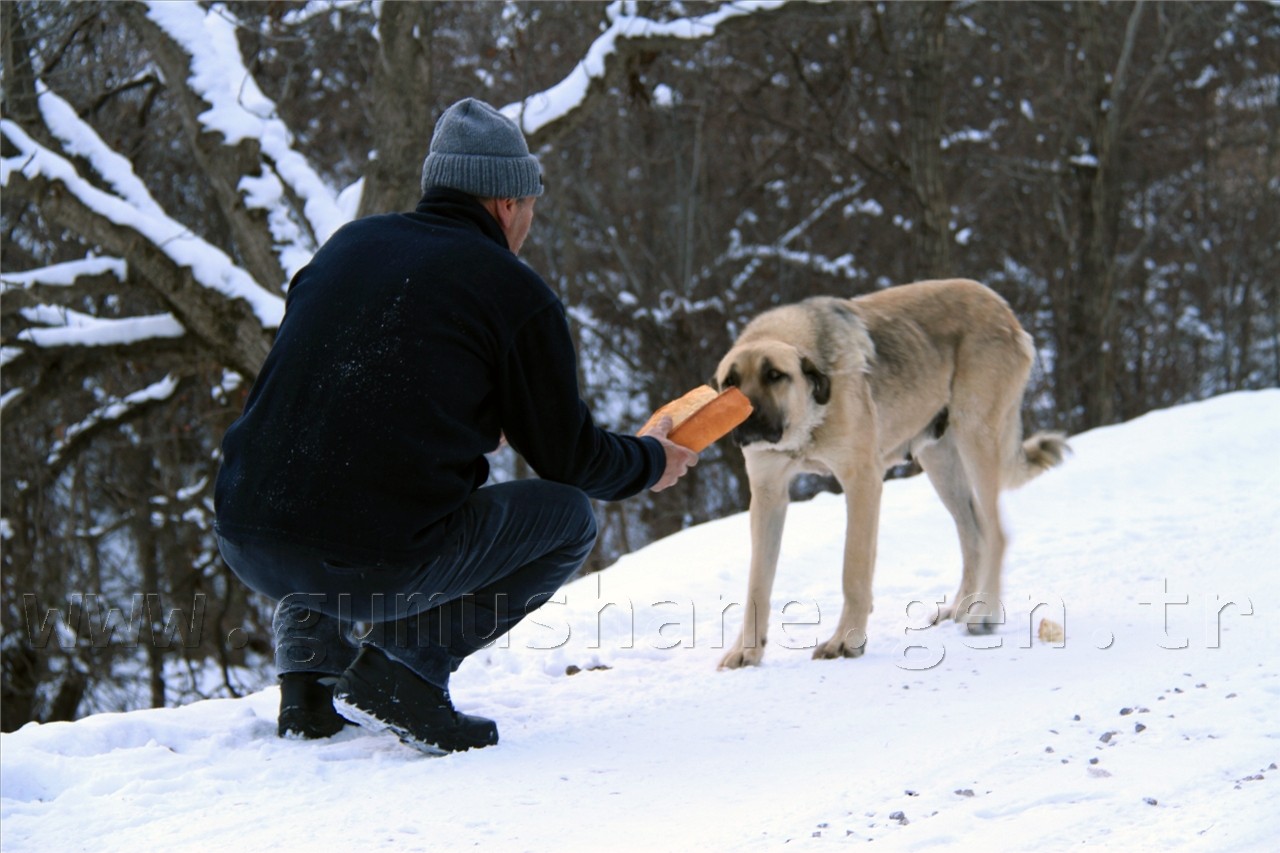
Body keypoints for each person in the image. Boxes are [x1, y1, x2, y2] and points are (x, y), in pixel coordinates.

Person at [214, 97, 697, 754]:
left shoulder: (349, 247)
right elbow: (571, 460)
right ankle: (406, 667)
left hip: (246, 533)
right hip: (367, 560)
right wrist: (649, 460)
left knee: (327, 467)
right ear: (505, 204)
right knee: (568, 518)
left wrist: (467, 419)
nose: (528, 221)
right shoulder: (510, 289)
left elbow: (336, 398)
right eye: (530, 206)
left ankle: (308, 684)